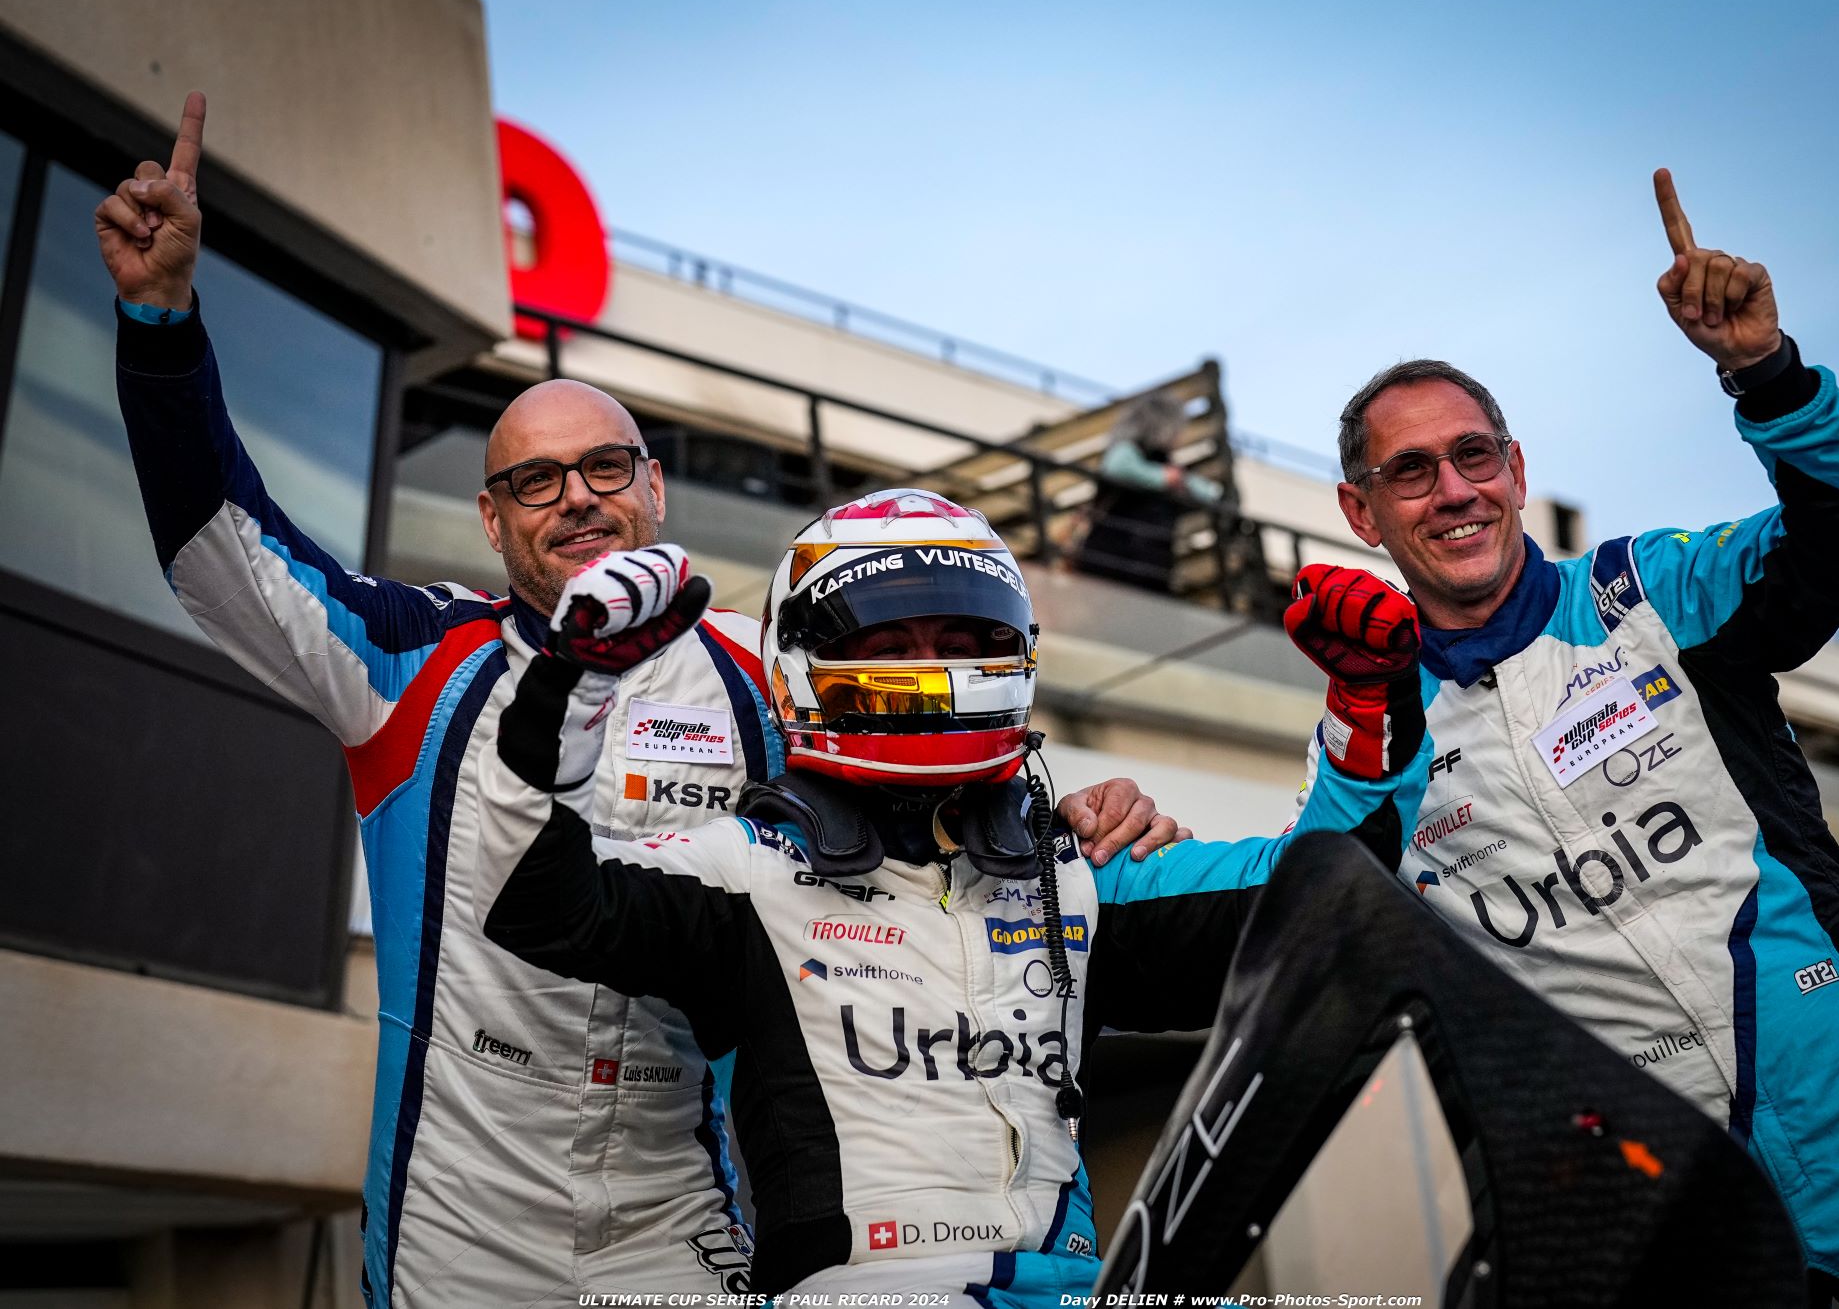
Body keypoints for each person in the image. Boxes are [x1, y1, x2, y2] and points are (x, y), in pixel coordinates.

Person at [97, 93, 1180, 1306]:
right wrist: (160, 324)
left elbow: (928, 789)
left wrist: (1063, 821)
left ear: (653, 489)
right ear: (490, 517)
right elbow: (222, 550)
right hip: (462, 1211)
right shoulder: (409, 657)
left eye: (604, 465)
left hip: (682, 1197)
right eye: (535, 480)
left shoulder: (769, 671)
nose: (576, 496)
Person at [1278, 170, 1839, 1308]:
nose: (1453, 490)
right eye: (1409, 471)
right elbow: (1311, 923)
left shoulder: (1651, 589)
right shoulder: (1375, 732)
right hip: (1649, 1185)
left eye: (1474, 456)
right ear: (1359, 513)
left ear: (1517, 472)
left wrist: (1765, 374)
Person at [475, 489, 1355, 1301]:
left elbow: (1330, 895)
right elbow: (532, 896)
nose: (930, 675)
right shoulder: (744, 874)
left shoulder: (1078, 872)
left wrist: (1367, 714)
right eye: (891, 649)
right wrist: (567, 690)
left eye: (961, 645)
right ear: (799, 666)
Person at [1072, 390, 1225, 592]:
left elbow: (1209, 493)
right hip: (1113, 560)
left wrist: (1179, 481)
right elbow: (1116, 467)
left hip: (1150, 568)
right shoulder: (1129, 451)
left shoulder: (1163, 462)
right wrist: (1164, 478)